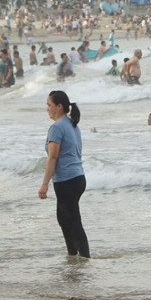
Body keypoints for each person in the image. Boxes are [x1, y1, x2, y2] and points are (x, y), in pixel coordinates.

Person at [38, 90, 89, 258]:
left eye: (49, 105)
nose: (47, 109)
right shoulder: (72, 125)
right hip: (78, 177)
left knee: (72, 220)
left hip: (67, 180)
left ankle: (84, 258)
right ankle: (73, 256)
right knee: (65, 219)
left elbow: (53, 157)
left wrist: (44, 184)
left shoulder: (57, 127)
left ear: (59, 107)